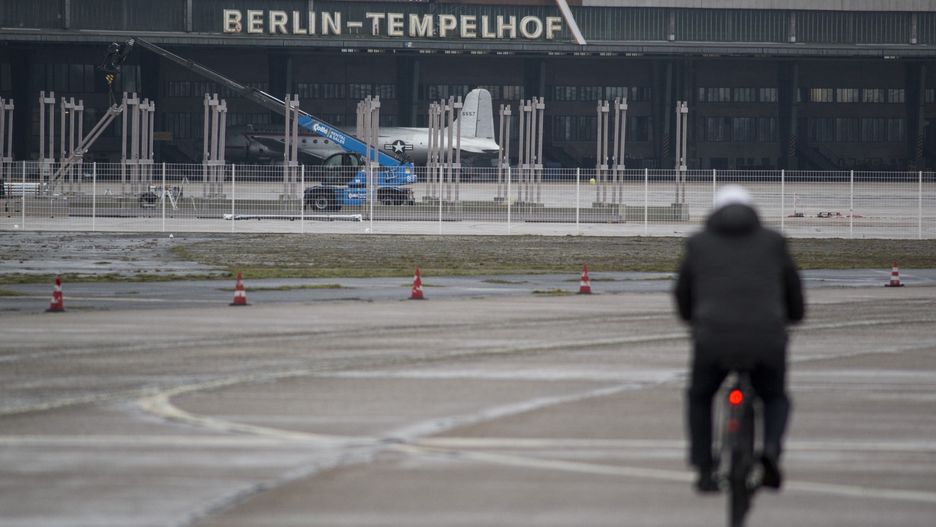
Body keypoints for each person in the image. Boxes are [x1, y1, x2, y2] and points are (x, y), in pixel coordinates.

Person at [674, 184, 805, 493]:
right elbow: (795, 294)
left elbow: (682, 293)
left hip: (713, 337)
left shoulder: (698, 243)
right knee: (774, 396)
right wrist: (792, 318)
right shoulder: (774, 242)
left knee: (700, 396)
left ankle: (705, 466)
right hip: (766, 337)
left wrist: (692, 321)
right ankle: (771, 449)